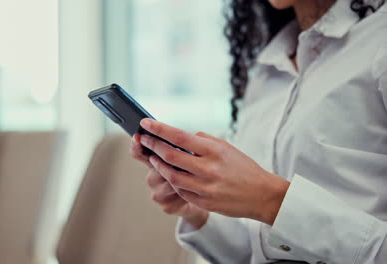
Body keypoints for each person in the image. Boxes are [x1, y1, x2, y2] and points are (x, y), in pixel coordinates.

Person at [130, 0, 387, 263]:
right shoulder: (268, 68)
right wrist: (198, 210)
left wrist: (272, 201)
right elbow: (254, 255)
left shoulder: (379, 42)